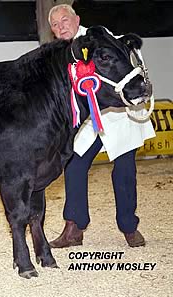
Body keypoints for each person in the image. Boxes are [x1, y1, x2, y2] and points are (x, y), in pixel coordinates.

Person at [47, 4, 156, 248]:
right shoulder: (59, 54)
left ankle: (129, 227)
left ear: (77, 19)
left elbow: (124, 58)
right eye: (55, 24)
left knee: (124, 171)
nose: (60, 27)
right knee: (74, 166)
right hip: (88, 121)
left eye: (65, 20)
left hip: (117, 117)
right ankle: (74, 228)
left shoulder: (100, 38)